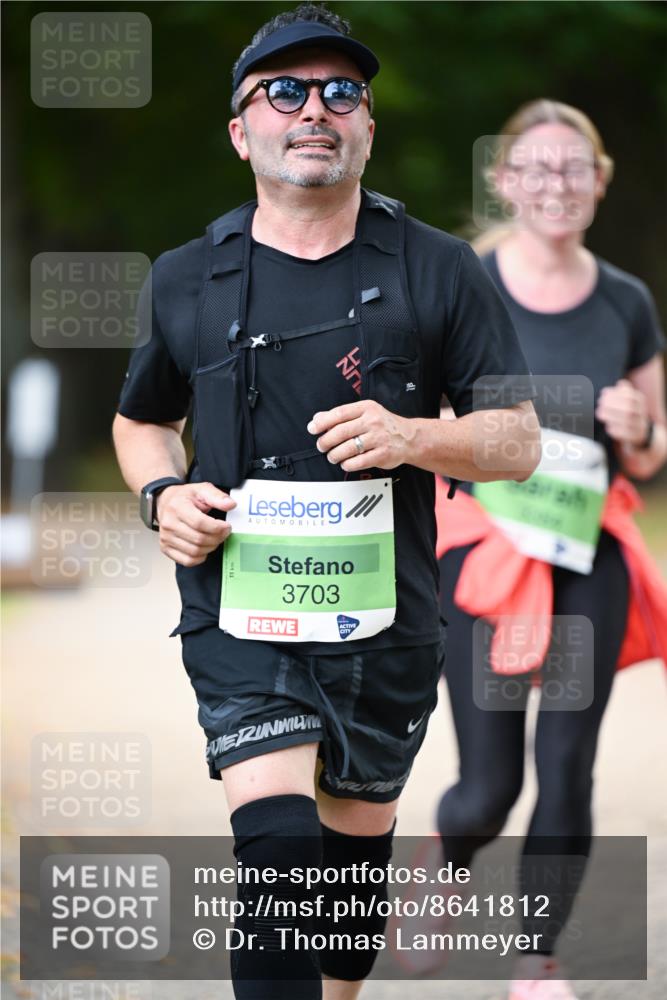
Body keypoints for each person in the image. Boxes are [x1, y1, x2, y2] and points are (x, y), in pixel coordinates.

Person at [112, 6, 540, 997]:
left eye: (342, 92)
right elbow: (141, 421)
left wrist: (415, 437)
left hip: (387, 619)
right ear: (241, 131)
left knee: (345, 882)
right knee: (276, 853)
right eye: (286, 91)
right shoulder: (185, 277)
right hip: (239, 611)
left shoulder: (439, 268)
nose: (316, 109)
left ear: (367, 130)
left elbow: (517, 441)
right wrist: (161, 493)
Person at [429, 100, 666, 1000]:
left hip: (585, 553)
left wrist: (639, 427)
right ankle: (447, 858)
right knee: (487, 786)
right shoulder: (465, 284)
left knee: (566, 766)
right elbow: (425, 419)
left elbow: (650, 451)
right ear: (504, 180)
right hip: (484, 551)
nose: (555, 184)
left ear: (598, 183)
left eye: (574, 168)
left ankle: (536, 959)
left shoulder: (625, 300)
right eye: (535, 167)